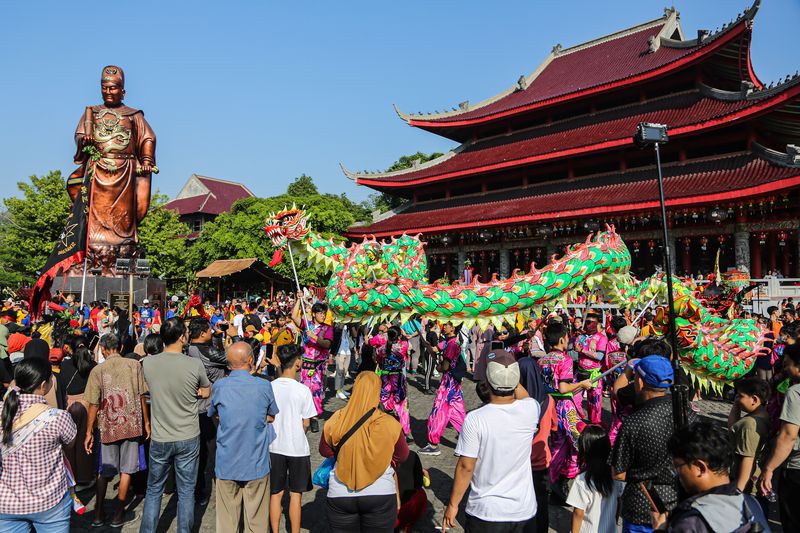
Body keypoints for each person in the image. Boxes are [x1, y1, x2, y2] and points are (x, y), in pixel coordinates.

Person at [442, 350, 539, 532]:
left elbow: (466, 466)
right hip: (523, 510)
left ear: (487, 381)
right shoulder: (531, 410)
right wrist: (509, 374)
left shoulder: (475, 419)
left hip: (486, 511)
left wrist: (453, 504)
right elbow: (524, 395)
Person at [139, 318, 211, 533]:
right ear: (182, 337)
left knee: (153, 490)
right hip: (188, 435)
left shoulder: (148, 363)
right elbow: (206, 391)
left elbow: (146, 387)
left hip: (161, 436)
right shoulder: (194, 364)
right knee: (186, 491)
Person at [611, 355, 695, 533]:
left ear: (640, 383)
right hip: (680, 504)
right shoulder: (688, 415)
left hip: (642, 507)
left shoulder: (634, 422)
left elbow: (618, 473)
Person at [320, 372, 408, 533]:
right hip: (380, 492)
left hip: (340, 492)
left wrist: (351, 450)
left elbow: (325, 451)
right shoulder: (389, 423)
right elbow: (402, 455)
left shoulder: (336, 419)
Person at [0, 358, 77, 532]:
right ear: (44, 385)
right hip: (49, 502)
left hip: (6, 503)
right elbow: (70, 445)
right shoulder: (58, 417)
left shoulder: (2, 412)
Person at [209, 342, 278, 533]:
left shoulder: (220, 386)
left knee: (227, 522)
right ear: (250, 360)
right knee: (256, 522)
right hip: (255, 461)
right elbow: (272, 415)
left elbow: (215, 413)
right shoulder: (263, 385)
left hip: (227, 462)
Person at [652, 422, 770, 532]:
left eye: (677, 467)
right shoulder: (751, 504)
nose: (676, 474)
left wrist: (659, 530)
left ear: (700, 468)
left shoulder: (691, 523)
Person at [83, 333, 149, 528]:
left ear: (103, 349)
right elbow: (141, 396)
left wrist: (89, 431)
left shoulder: (98, 370)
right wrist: (146, 422)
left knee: (105, 470)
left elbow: (93, 404)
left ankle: (98, 512)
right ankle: (119, 514)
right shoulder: (134, 365)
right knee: (127, 470)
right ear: (120, 347)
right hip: (130, 422)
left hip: (108, 425)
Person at [538, 321, 593, 493]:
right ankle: (568, 476)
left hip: (548, 405)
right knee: (578, 442)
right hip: (564, 405)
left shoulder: (542, 360)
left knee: (557, 443)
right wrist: (582, 384)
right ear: (562, 340)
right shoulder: (566, 360)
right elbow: (563, 388)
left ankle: (551, 480)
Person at [269, 344, 317, 533]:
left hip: (274, 446)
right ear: (298, 362)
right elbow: (306, 423)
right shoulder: (303, 390)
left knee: (275, 494)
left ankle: (275, 530)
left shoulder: (270, 387)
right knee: (295, 495)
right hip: (297, 447)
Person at [186, 317, 228, 505]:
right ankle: (223, 489)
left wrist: (218, 337)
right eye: (210, 330)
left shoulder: (188, 349)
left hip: (195, 407)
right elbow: (230, 358)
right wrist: (233, 338)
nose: (212, 332)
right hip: (209, 408)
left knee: (200, 453)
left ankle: (198, 490)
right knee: (216, 451)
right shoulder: (204, 351)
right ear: (202, 333)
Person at [759, 343, 800, 531]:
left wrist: (768, 468)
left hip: (796, 469)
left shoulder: (796, 392)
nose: (785, 368)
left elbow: (789, 436)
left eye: (787, 364)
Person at [519, 356, 556, 533]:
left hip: (520, 462)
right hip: (542, 460)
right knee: (541, 503)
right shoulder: (548, 400)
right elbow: (555, 426)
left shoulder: (515, 403)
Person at [419, 321, 466, 456]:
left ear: (453, 328)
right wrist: (428, 344)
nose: (444, 326)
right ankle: (468, 441)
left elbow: (445, 366)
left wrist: (439, 367)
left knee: (439, 411)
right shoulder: (450, 341)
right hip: (454, 383)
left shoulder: (452, 344)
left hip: (448, 383)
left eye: (447, 325)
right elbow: (436, 348)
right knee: (458, 412)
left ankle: (433, 445)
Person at [567, 425, 624, 533]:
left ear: (585, 451)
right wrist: (614, 523)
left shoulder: (583, 480)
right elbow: (618, 502)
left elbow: (578, 513)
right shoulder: (615, 476)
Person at [291, 300, 334, 432]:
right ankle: (304, 417)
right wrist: (299, 300)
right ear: (314, 314)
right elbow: (294, 316)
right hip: (306, 364)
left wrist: (314, 337)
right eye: (320, 313)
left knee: (316, 391)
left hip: (318, 366)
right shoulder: (307, 325)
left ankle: (314, 418)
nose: (323, 315)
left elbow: (327, 344)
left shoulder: (327, 328)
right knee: (304, 390)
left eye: (324, 313)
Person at [727, 377, 771, 496]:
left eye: (740, 396)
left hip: (745, 486)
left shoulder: (749, 424)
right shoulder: (760, 415)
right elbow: (733, 427)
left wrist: (738, 490)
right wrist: (737, 405)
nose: (737, 398)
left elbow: (748, 459)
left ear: (754, 399)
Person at [375, 326, 412, 437]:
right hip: (398, 379)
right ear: (399, 336)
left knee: (384, 403)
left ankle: (381, 429)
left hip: (385, 378)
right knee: (402, 405)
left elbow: (378, 359)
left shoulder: (382, 349)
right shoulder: (403, 346)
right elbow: (407, 351)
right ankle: (404, 432)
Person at [574, 311, 607, 424]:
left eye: (593, 322)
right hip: (580, 373)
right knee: (575, 400)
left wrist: (582, 350)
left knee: (594, 403)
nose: (590, 325)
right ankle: (578, 424)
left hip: (594, 375)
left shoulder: (601, 338)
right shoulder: (580, 337)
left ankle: (595, 425)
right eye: (587, 322)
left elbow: (599, 356)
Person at [334, 324, 354, 400]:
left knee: (344, 372)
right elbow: (336, 330)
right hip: (340, 351)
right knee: (339, 371)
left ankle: (341, 389)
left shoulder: (349, 326)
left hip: (347, 351)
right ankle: (338, 391)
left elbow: (354, 335)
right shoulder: (338, 325)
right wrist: (341, 324)